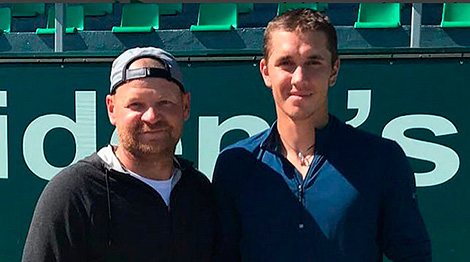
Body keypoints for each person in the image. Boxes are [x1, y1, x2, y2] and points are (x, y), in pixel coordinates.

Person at [212, 9, 431, 262]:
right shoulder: (236, 165)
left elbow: (413, 255)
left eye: (313, 63)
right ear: (265, 72)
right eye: (286, 63)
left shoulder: (381, 158)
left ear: (334, 70)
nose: (299, 78)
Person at [23, 47, 216, 262]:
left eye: (164, 103)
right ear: (112, 109)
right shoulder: (75, 193)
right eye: (136, 105)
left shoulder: (199, 191)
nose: (151, 117)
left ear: (186, 106)